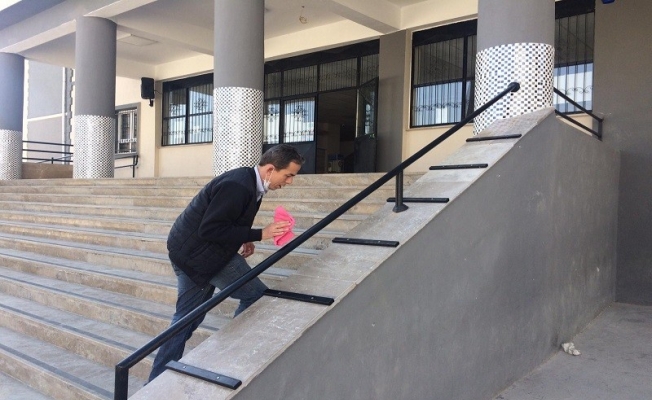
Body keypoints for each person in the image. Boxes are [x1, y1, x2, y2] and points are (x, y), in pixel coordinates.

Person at [148, 144, 305, 381]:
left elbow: (227, 220)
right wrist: (259, 234)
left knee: (186, 319)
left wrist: (243, 237)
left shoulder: (250, 182)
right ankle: (227, 356)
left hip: (190, 253)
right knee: (255, 297)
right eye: (288, 175)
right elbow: (210, 229)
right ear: (271, 169)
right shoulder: (238, 186)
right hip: (200, 255)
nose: (290, 182)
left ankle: (156, 380)